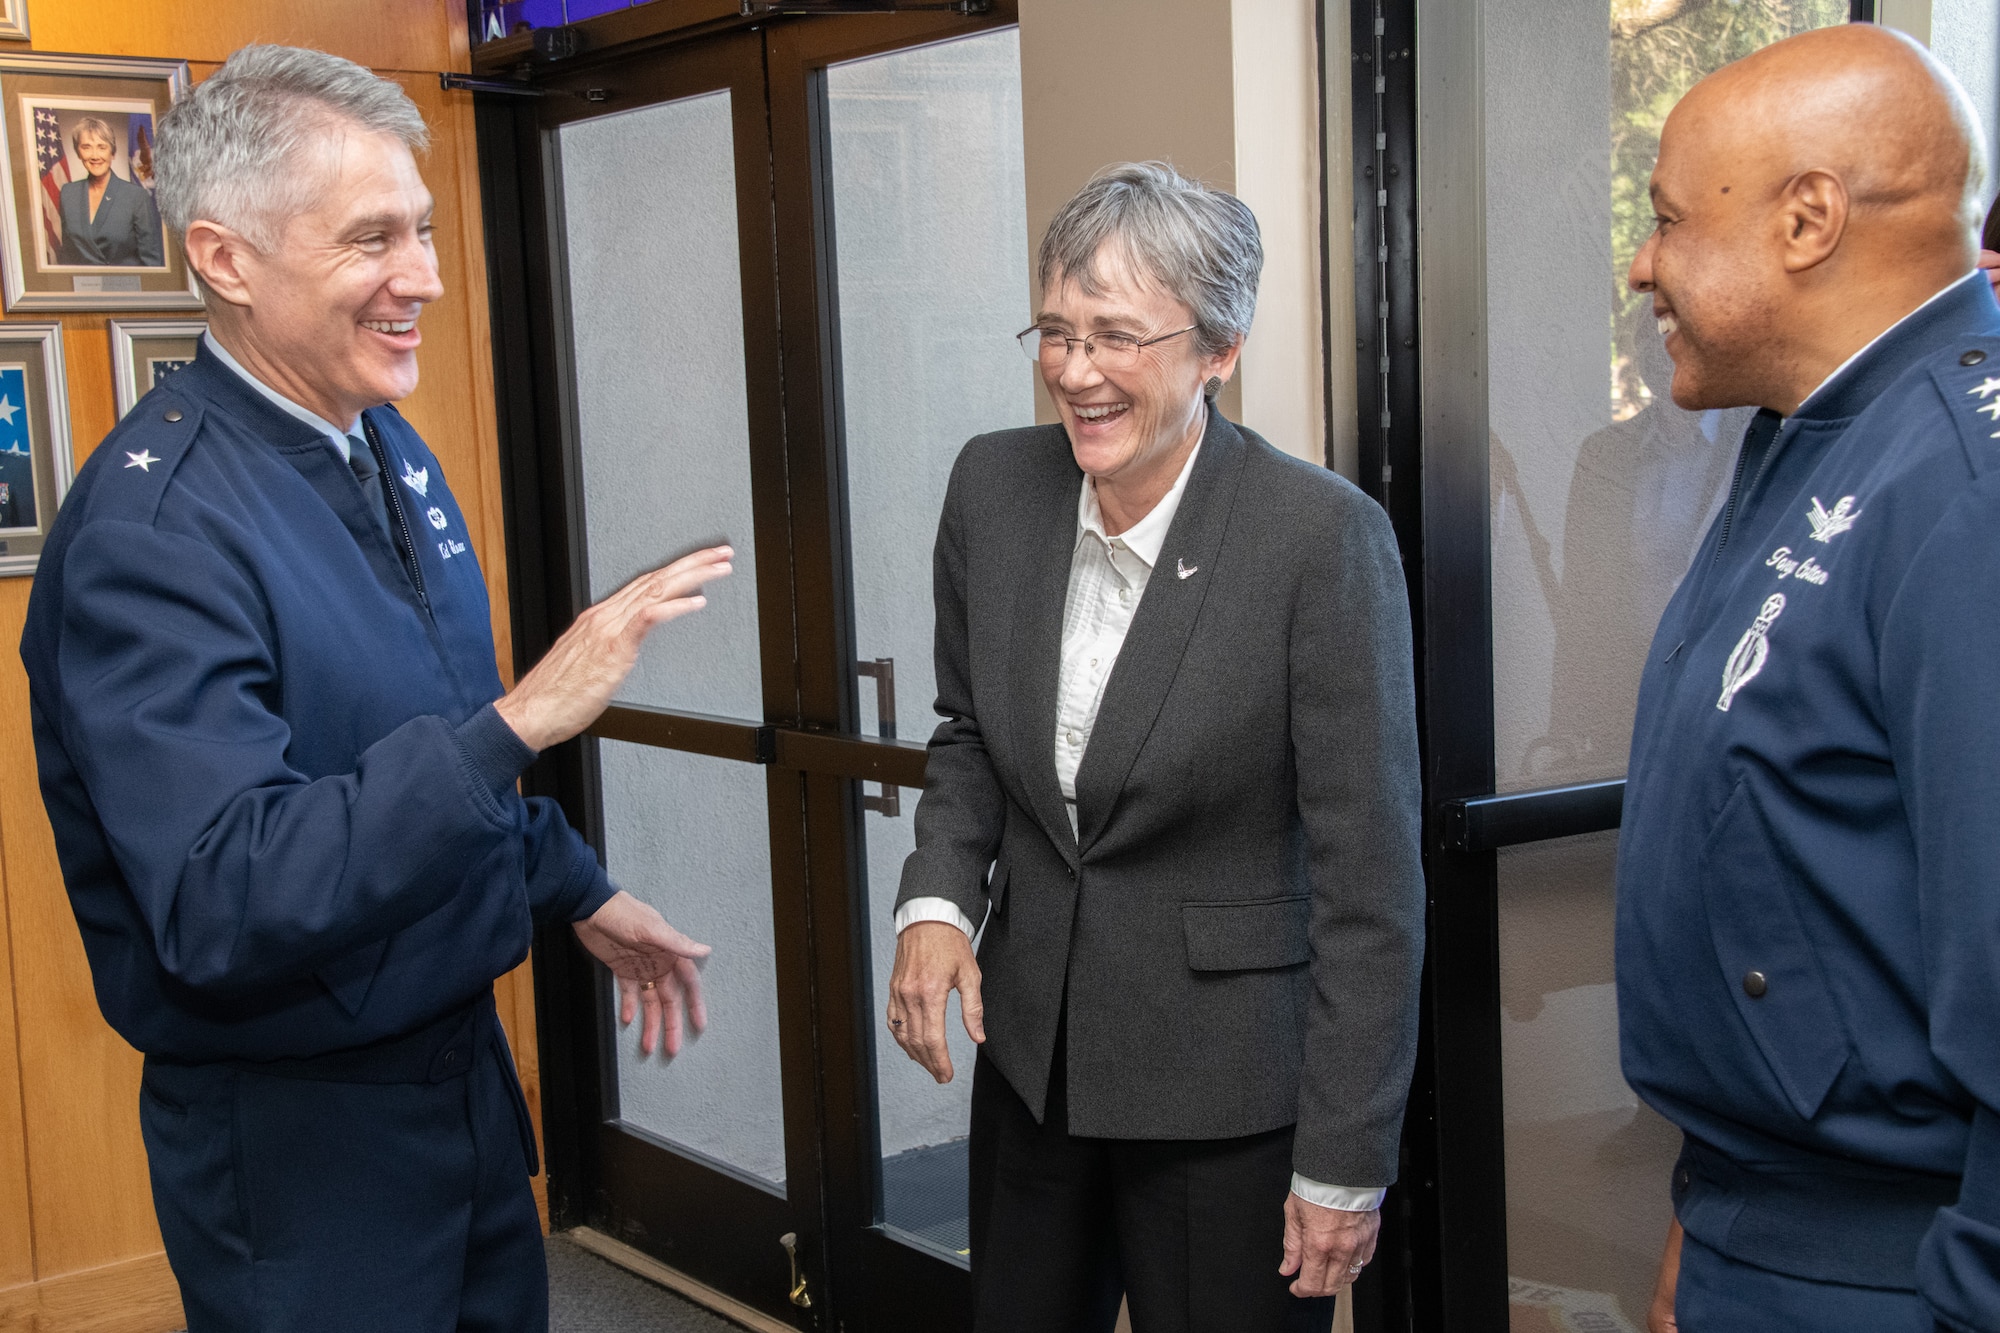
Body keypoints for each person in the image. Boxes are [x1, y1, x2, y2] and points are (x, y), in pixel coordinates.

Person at [20, 45, 729, 1332]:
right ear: (227, 260)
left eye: (424, 230)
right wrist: (527, 718)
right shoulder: (154, 533)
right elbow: (226, 890)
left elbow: (414, 729)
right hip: (299, 1143)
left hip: (455, 1080)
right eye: (371, 240)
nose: (426, 278)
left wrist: (571, 884)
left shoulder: (380, 442)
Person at [886, 162, 1425, 1332]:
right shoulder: (994, 486)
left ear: (1217, 348)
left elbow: (1369, 882)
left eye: (1116, 337)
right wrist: (934, 902)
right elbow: (970, 733)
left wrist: (1344, 1154)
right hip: (1035, 1070)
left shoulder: (1317, 538)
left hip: (1228, 1101)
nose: (1074, 372)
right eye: (1056, 332)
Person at [1615, 24, 2000, 1333]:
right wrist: (1708, 1217)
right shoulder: (1813, 435)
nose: (1641, 262)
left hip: (1902, 1273)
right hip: (1762, 1228)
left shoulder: (1965, 489)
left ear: (1807, 220)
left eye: (1667, 221)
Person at [56, 115, 165, 267]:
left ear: (112, 153)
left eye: (102, 147)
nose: (95, 156)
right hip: (83, 287)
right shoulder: (68, 193)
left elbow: (151, 261)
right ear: (78, 152)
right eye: (86, 147)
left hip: (127, 288)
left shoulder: (136, 196)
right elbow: (67, 255)